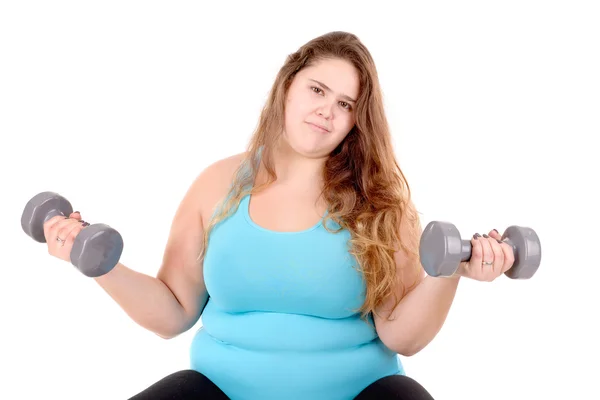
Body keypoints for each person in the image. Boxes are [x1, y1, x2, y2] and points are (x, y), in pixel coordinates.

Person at [43, 31, 514, 400]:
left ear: (356, 120)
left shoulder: (380, 201)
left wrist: (445, 273)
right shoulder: (217, 183)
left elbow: (401, 336)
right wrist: (100, 266)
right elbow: (173, 312)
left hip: (358, 393)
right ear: (288, 86)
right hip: (220, 391)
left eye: (345, 104)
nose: (326, 111)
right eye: (317, 90)